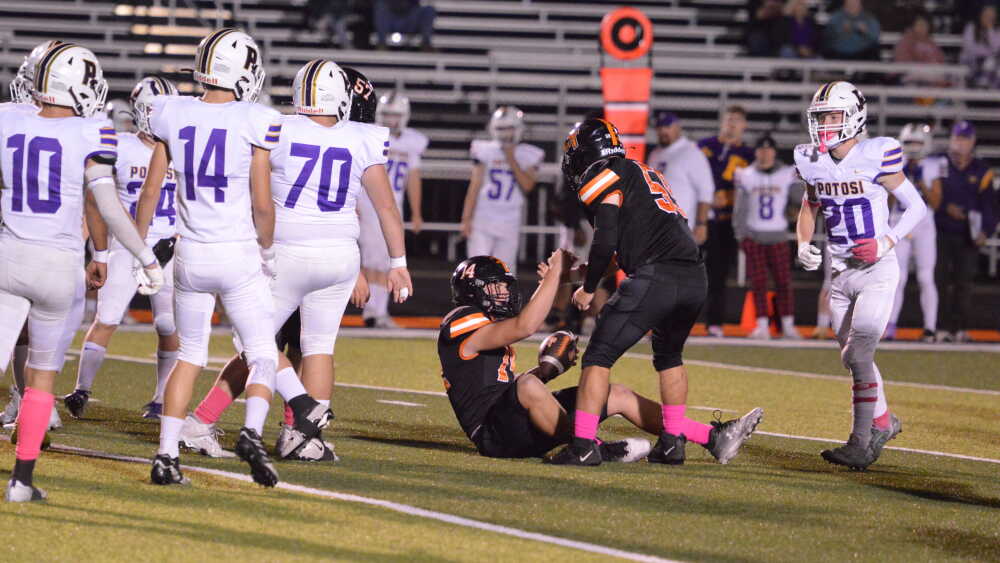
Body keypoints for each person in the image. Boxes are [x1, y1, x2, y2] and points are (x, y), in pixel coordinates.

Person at [134, 28, 330, 487]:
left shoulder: (172, 112)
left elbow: (149, 193)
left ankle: (166, 455)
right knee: (263, 352)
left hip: (190, 254)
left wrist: (139, 250)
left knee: (190, 355)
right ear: (243, 72)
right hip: (238, 253)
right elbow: (263, 204)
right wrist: (267, 249)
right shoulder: (255, 118)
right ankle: (265, 425)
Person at [545, 118, 763, 467]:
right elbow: (623, 250)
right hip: (693, 277)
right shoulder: (641, 172)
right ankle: (673, 443)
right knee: (669, 356)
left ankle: (583, 444)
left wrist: (588, 289)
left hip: (656, 276)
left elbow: (605, 241)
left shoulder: (600, 177)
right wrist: (578, 275)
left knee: (598, 357)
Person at [1, 43, 165, 502]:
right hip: (58, 263)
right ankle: (22, 481)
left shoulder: (6, 118)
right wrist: (143, 257)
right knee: (43, 377)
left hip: (9, 254)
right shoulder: (91, 131)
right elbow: (108, 206)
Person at [794, 80, 927, 470]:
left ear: (854, 115)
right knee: (853, 359)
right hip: (839, 275)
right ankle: (884, 422)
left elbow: (916, 207)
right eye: (820, 118)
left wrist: (886, 242)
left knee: (860, 352)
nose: (824, 125)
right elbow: (809, 206)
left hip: (876, 270)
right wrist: (802, 245)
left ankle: (860, 440)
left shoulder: (876, 154)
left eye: (832, 116)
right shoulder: (811, 160)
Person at [440, 254, 656, 461]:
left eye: (506, 286)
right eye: (497, 286)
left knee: (615, 394)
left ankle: (676, 434)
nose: (505, 292)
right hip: (492, 435)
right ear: (472, 289)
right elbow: (524, 327)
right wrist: (554, 273)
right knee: (527, 384)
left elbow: (503, 389)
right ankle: (591, 447)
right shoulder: (459, 319)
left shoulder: (485, 325)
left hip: (515, 422)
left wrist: (546, 371)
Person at [65, 77, 181, 421]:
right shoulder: (120, 145)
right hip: (128, 242)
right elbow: (95, 197)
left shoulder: (183, 147)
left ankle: (161, 398)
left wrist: (179, 239)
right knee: (108, 317)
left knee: (167, 324)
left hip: (169, 245)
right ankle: (82, 389)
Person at [356, 90, 426, 328]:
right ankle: (375, 312)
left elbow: (413, 179)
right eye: (387, 114)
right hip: (369, 202)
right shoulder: (370, 135)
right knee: (378, 261)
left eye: (396, 115)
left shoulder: (412, 142)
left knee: (386, 261)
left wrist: (416, 212)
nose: (391, 120)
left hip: (393, 205)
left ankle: (375, 312)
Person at [460, 106, 544, 275]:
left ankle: (498, 302)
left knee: (504, 273)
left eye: (509, 128)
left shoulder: (528, 153)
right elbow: (475, 185)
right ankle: (474, 302)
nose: (506, 134)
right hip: (483, 217)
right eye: (501, 129)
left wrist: (511, 159)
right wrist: (466, 218)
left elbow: (528, 186)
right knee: (476, 270)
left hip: (510, 220)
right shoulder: (485, 150)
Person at [733, 135, 801, 340]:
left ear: (774, 152)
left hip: (778, 234)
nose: (764, 153)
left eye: (768, 150)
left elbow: (799, 199)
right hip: (753, 235)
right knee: (758, 283)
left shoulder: (787, 173)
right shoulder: (745, 174)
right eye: (761, 150)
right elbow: (740, 208)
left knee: (783, 282)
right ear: (756, 152)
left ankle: (788, 325)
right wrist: (741, 235)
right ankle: (762, 325)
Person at [933, 121, 995, 343]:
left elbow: (989, 205)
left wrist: (986, 231)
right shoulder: (938, 163)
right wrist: (944, 206)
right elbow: (928, 195)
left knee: (964, 283)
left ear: (973, 142)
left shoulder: (982, 170)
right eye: (957, 138)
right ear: (951, 140)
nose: (960, 143)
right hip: (940, 231)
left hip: (968, 234)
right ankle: (939, 327)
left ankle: (960, 327)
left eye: (965, 139)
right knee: (938, 280)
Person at [699, 105, 754, 337]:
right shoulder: (705, 146)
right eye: (729, 119)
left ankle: (714, 323)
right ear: (722, 121)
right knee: (685, 270)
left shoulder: (749, 155)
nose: (732, 123)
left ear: (744, 125)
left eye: (737, 120)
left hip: (727, 222)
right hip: (700, 218)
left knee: (718, 274)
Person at [885, 123, 940, 342]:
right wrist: (902, 180)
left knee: (926, 277)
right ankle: (890, 325)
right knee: (897, 278)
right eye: (910, 143)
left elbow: (936, 202)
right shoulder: (895, 164)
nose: (914, 147)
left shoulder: (934, 164)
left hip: (924, 225)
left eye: (918, 142)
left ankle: (930, 328)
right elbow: (887, 202)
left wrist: (921, 181)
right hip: (900, 222)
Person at [647, 111, 712, 245]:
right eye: (659, 127)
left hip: (682, 228)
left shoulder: (692, 152)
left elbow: (706, 191)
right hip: (655, 228)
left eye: (667, 126)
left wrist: (701, 224)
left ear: (677, 127)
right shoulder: (655, 154)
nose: (662, 131)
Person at [893, 13, 948, 88]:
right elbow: (902, 60)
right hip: (910, 79)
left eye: (924, 25)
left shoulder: (931, 44)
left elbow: (940, 60)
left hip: (932, 80)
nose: (922, 28)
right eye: (919, 25)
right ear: (913, 26)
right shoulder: (906, 41)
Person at [960, 5, 1000, 89]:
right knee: (988, 62)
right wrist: (987, 52)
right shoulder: (971, 27)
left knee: (992, 62)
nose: (989, 18)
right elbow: (970, 48)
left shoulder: (997, 29)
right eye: (986, 15)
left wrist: (990, 30)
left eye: (991, 16)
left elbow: (997, 49)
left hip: (992, 61)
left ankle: (987, 84)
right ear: (980, 15)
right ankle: (980, 81)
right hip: (971, 59)